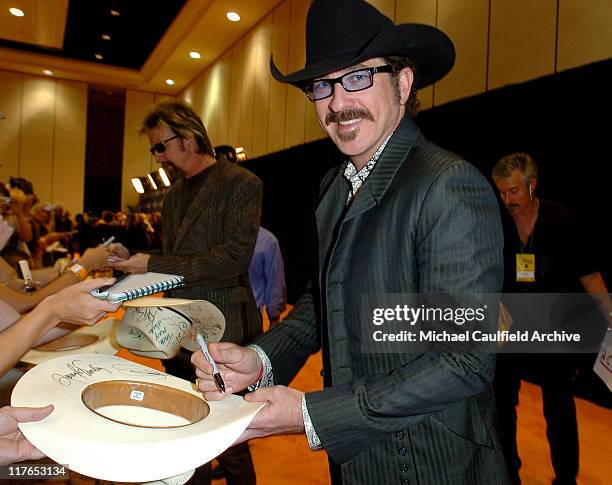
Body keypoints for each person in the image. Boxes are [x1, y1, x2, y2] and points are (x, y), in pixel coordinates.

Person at [193, 1, 509, 484]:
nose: (338, 103)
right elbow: (324, 304)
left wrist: (309, 415)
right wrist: (261, 357)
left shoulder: (446, 184)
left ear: (402, 83)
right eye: (322, 85)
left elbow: (464, 360)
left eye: (358, 76)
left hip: (432, 462)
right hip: (357, 459)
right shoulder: (335, 187)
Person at [107, 101, 263, 485]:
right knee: (185, 417)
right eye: (153, 150)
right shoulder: (173, 196)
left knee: (228, 429)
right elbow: (177, 259)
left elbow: (232, 259)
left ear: (190, 138)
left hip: (224, 323)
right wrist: (138, 259)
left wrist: (154, 264)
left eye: (160, 147)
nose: (157, 158)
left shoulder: (242, 184)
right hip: (175, 326)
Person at [491, 152, 611, 485]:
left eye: (513, 191)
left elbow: (590, 277)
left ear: (532, 185)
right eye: (501, 192)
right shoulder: (498, 224)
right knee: (501, 405)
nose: (507, 200)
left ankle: (565, 477)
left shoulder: (562, 221)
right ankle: (507, 471)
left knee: (558, 409)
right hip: (510, 328)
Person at [248, 227, 286, 324]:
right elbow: (275, 283)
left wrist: (274, 316)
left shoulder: (267, 240)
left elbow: (275, 283)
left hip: (251, 315)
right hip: (214, 311)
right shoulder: (266, 239)